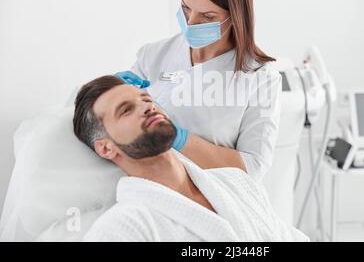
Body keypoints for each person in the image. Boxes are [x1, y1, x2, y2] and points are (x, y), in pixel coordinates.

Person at [73, 75, 308, 242]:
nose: (146, 107)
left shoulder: (237, 183)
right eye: (125, 110)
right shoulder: (124, 227)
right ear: (105, 148)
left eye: (145, 98)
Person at [117, 0, 281, 182]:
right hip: (145, 183)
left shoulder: (259, 78)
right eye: (185, 8)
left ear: (235, 17)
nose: (190, 22)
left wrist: (180, 139)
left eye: (207, 16)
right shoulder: (153, 55)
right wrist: (113, 91)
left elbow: (254, 166)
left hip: (210, 196)